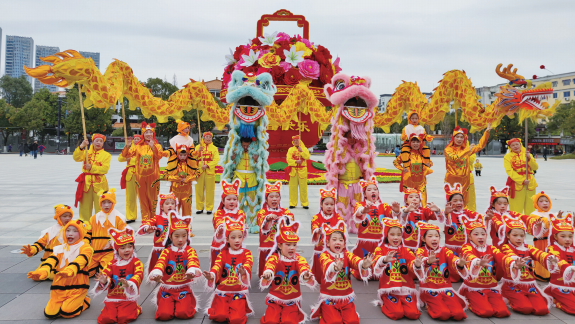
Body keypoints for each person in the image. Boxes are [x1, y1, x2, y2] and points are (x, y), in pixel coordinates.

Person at [310, 220, 373, 324]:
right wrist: (335, 268)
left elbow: (355, 260)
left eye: (340, 240)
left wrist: (363, 264)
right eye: (334, 240)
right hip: (330, 298)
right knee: (334, 322)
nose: (338, 242)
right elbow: (326, 265)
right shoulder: (324, 255)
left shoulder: (347, 254)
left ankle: (345, 311)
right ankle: (323, 310)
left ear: (344, 244)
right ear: (328, 243)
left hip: (345, 297)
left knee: (353, 321)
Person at [458, 214, 520, 318]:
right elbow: (468, 256)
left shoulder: (491, 248)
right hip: (474, 287)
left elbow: (502, 257)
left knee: (503, 312)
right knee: (486, 312)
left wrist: (513, 263)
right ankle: (468, 298)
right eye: (476, 234)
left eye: (483, 234)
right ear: (469, 236)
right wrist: (478, 262)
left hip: (491, 287)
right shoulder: (466, 247)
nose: (481, 237)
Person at [27, 220, 93, 319]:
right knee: (50, 314)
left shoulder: (86, 248)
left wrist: (70, 269)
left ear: (81, 233)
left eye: (75, 231)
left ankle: (85, 301)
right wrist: (43, 271)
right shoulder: (59, 249)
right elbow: (51, 261)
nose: (70, 233)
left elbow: (82, 259)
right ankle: (66, 302)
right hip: (59, 288)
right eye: (68, 230)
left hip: (77, 287)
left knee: (67, 313)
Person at [498, 213, 558, 315]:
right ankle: (506, 293)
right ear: (508, 235)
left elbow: (539, 253)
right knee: (525, 308)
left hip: (529, 284)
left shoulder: (528, 247)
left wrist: (550, 258)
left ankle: (525, 298)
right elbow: (510, 255)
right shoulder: (505, 247)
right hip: (513, 284)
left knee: (542, 310)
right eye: (515, 235)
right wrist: (516, 261)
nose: (519, 238)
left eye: (522, 235)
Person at [260, 218, 316, 324]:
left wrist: (306, 274)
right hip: (275, 298)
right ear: (280, 245)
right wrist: (268, 272)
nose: (292, 248)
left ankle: (291, 311)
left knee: (288, 322)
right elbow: (270, 265)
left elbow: (303, 266)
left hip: (291, 299)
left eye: (294, 245)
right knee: (270, 321)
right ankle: (271, 312)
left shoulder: (298, 258)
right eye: (288, 244)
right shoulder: (274, 258)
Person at [148, 213, 201, 321]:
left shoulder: (190, 251)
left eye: (184, 236)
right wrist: (157, 273)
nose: (181, 240)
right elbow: (160, 263)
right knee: (164, 315)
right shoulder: (166, 251)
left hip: (183, 288)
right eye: (177, 236)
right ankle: (167, 303)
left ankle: (185, 302)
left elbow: (193, 261)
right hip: (167, 288)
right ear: (170, 237)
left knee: (183, 314)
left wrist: (191, 271)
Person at [413, 222, 469, 320]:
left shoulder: (445, 250)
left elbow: (452, 257)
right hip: (429, 288)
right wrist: (427, 262)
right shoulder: (421, 250)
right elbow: (420, 260)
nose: (434, 238)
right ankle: (428, 303)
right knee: (443, 314)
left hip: (445, 287)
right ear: (423, 239)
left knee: (459, 314)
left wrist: (459, 263)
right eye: (430, 236)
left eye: (437, 236)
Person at [204, 217, 254, 324]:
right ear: (227, 239)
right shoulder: (223, 253)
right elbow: (217, 266)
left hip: (238, 291)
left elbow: (248, 264)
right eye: (233, 237)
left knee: (237, 320)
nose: (237, 240)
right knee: (220, 317)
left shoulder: (247, 253)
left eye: (240, 237)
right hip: (223, 291)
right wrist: (212, 275)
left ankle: (238, 307)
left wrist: (243, 271)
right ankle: (224, 307)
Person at [351, 176, 400, 279]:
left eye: (375, 189)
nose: (373, 191)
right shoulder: (360, 204)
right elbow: (358, 211)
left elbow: (392, 214)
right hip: (364, 241)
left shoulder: (383, 206)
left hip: (379, 242)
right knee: (364, 269)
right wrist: (364, 211)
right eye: (369, 190)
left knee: (379, 267)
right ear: (364, 194)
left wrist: (396, 210)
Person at [91, 227, 143, 324]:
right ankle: (109, 310)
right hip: (113, 298)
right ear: (117, 250)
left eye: (130, 247)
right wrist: (104, 281)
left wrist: (129, 283)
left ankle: (136, 308)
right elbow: (105, 273)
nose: (127, 250)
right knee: (105, 320)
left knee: (124, 319)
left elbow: (139, 274)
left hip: (127, 298)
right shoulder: (112, 263)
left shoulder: (136, 262)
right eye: (122, 248)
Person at [372, 218, 421, 320]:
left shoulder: (406, 250)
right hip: (389, 290)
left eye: (399, 235)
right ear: (386, 235)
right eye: (392, 234)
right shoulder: (380, 249)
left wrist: (416, 264)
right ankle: (384, 300)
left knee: (413, 314)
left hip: (405, 288)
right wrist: (384, 260)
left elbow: (412, 262)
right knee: (396, 314)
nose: (396, 237)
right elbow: (376, 267)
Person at [122, 122, 169, 221]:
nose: (148, 134)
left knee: (153, 199)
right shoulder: (138, 146)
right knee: (142, 199)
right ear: (143, 134)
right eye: (146, 132)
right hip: (140, 177)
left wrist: (153, 148)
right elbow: (126, 155)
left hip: (154, 176)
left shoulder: (157, 146)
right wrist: (127, 146)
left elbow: (159, 157)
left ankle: (152, 220)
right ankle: (145, 220)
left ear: (153, 134)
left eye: (150, 132)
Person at [20, 204, 75, 281]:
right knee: (46, 270)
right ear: (57, 217)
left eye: (70, 216)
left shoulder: (75, 228)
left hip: (69, 259)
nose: (68, 218)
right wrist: (32, 249)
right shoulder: (50, 231)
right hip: (51, 260)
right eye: (64, 216)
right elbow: (41, 243)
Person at [444, 125, 491, 211]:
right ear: (453, 138)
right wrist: (467, 151)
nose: (459, 139)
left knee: (465, 203)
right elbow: (454, 158)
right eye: (457, 137)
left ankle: (465, 221)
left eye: (461, 137)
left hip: (465, 180)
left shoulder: (466, 149)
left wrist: (486, 133)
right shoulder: (448, 149)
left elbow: (480, 146)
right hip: (452, 181)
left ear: (464, 139)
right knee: (452, 203)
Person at [442, 183, 481, 282]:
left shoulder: (467, 212)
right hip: (452, 246)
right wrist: (446, 213)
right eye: (455, 201)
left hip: (465, 246)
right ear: (449, 202)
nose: (459, 203)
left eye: (461, 200)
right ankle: (454, 277)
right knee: (453, 265)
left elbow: (478, 216)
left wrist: (487, 217)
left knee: (466, 263)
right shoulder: (447, 212)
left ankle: (467, 276)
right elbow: (442, 217)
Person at [256, 181, 294, 276]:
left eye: (277, 197)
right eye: (271, 197)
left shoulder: (285, 211)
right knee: (265, 272)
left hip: (280, 246)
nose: (274, 199)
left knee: (279, 272)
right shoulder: (262, 212)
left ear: (280, 199)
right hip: (266, 245)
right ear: (266, 199)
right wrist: (268, 219)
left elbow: (291, 219)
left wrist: (285, 218)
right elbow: (261, 222)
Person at [86, 189, 127, 277]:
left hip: (109, 252)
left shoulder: (119, 218)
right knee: (85, 272)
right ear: (100, 204)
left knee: (105, 273)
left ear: (113, 202)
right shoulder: (94, 218)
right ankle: (96, 267)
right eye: (103, 202)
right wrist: (85, 244)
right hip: (94, 252)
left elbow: (123, 234)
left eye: (109, 202)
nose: (106, 205)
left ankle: (102, 267)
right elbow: (88, 232)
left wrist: (111, 241)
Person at [73, 134, 111, 221]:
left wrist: (92, 168)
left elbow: (105, 169)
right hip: (86, 183)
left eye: (101, 141)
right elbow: (76, 158)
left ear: (103, 143)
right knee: (84, 206)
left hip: (100, 183)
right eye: (96, 141)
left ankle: (100, 225)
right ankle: (85, 225)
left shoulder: (106, 155)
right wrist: (82, 146)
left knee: (100, 205)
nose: (98, 143)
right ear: (92, 142)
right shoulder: (86, 152)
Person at [137, 193, 177, 276]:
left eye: (172, 203)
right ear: (161, 207)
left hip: (173, 247)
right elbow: (148, 222)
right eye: (167, 204)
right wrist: (147, 228)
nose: (170, 206)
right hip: (159, 247)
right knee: (157, 268)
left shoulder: (178, 219)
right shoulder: (157, 217)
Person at [310, 188, 344, 284]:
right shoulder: (317, 217)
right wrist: (317, 230)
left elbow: (342, 225)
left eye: (332, 204)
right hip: (320, 246)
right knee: (319, 276)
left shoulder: (337, 217)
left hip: (332, 248)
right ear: (321, 205)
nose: (329, 207)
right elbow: (314, 224)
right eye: (326, 204)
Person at [211, 179, 247, 268]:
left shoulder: (240, 213)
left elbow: (243, 225)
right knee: (218, 267)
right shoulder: (218, 213)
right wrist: (221, 228)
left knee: (232, 266)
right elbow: (218, 222)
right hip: (220, 243)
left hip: (234, 243)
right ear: (223, 201)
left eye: (234, 199)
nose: (232, 201)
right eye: (229, 199)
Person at [544, 213, 575, 314]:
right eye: (563, 236)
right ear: (555, 237)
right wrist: (569, 268)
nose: (567, 239)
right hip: (560, 286)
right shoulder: (552, 249)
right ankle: (556, 301)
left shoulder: (573, 248)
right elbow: (558, 259)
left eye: (570, 236)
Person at [529, 191, 563, 281]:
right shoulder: (534, 214)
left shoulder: (552, 214)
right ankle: (541, 275)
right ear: (536, 204)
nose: (544, 203)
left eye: (547, 201)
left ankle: (553, 274)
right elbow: (542, 223)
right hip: (541, 241)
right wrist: (552, 220)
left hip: (552, 241)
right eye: (541, 201)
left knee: (553, 257)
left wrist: (558, 218)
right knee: (541, 257)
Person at [230, 137, 260, 232]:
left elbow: (260, 167)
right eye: (243, 145)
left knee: (253, 203)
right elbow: (229, 166)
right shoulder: (236, 152)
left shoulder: (255, 152)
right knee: (238, 203)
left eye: (247, 145)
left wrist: (256, 160)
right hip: (239, 181)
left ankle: (253, 224)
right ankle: (238, 223)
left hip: (251, 181)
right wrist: (232, 158)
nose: (245, 147)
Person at [393, 136, 433, 206]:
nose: (415, 144)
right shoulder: (405, 154)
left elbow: (430, 162)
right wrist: (402, 169)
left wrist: (429, 164)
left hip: (421, 182)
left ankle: (422, 215)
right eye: (413, 142)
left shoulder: (422, 153)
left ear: (420, 143)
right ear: (410, 143)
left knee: (423, 202)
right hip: (409, 182)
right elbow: (395, 162)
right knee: (409, 202)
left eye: (417, 142)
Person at [504, 138, 539, 215]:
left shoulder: (527, 154)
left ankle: (530, 224)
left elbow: (535, 167)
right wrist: (522, 180)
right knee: (516, 209)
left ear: (521, 145)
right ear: (510, 147)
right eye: (512, 145)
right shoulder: (507, 156)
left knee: (530, 207)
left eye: (517, 144)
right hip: (516, 184)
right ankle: (516, 224)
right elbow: (509, 171)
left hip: (530, 183)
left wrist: (530, 158)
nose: (515, 146)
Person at [166, 144, 197, 216]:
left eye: (184, 155)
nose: (182, 157)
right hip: (174, 191)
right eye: (181, 155)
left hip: (187, 192)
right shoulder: (172, 164)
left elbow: (197, 173)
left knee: (187, 210)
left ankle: (187, 225)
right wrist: (175, 178)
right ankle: (173, 225)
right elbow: (165, 175)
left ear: (187, 155)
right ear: (177, 154)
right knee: (173, 210)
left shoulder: (190, 164)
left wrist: (188, 178)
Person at [194, 132, 219, 215]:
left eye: (210, 137)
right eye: (206, 137)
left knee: (210, 191)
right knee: (199, 190)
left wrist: (208, 165)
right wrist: (198, 152)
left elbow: (216, 160)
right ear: (203, 138)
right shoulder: (198, 147)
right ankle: (199, 208)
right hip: (199, 171)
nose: (208, 138)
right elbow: (193, 157)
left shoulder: (214, 148)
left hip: (209, 171)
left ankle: (209, 208)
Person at [119, 135, 141, 223]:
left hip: (141, 173)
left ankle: (147, 216)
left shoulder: (144, 148)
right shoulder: (129, 148)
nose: (136, 141)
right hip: (130, 173)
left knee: (144, 197)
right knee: (130, 197)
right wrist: (126, 156)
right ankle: (131, 216)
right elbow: (120, 158)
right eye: (135, 139)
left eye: (138, 139)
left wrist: (130, 159)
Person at [286, 135, 310, 209]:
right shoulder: (290, 149)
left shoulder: (304, 149)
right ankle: (292, 203)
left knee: (303, 188)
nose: (296, 141)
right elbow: (288, 159)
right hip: (293, 171)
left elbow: (307, 157)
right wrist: (296, 161)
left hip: (302, 171)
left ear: (300, 141)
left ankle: (305, 203)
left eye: (297, 140)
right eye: (294, 141)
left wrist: (301, 151)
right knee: (292, 188)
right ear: (292, 142)